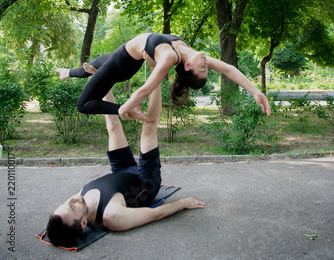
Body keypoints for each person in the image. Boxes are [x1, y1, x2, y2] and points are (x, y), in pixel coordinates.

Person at [46, 87, 205, 248]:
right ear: (84, 223)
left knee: (113, 127)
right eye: (72, 207)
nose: (71, 200)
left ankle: (104, 78)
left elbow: (64, 216)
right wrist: (183, 203)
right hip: (146, 181)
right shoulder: (112, 216)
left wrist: (100, 78)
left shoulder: (74, 205)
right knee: (149, 127)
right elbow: (156, 214)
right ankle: (156, 73)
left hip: (121, 170)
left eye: (64, 204)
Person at [55, 32, 271, 122]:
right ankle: (68, 73)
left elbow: (146, 89)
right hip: (122, 54)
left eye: (203, 68)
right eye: (207, 67)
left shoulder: (169, 56)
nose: (207, 63)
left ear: (187, 66)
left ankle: (124, 108)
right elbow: (229, 69)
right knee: (91, 65)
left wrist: (125, 108)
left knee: (83, 105)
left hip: (122, 66)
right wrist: (255, 91)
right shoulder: (188, 51)